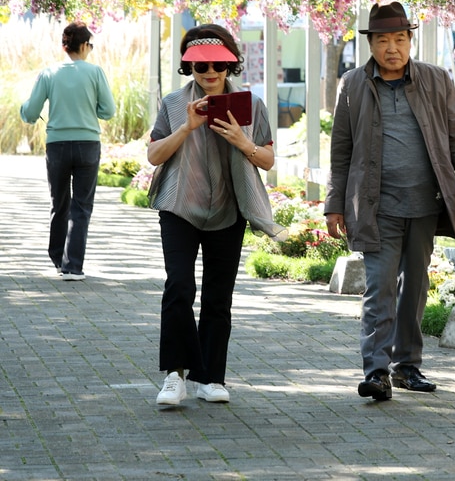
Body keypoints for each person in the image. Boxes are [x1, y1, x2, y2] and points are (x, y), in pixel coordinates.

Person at [326, 2, 455, 402]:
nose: (391, 48)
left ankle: (407, 365)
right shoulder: (353, 84)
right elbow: (340, 151)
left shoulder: (436, 80)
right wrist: (334, 203)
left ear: (410, 40)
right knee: (379, 288)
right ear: (371, 44)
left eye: (399, 39)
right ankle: (376, 371)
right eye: (382, 40)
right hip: (376, 207)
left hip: (425, 204)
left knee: (413, 287)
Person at [146, 25, 285, 408]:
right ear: (188, 67)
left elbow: (269, 160)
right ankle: (174, 375)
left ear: (230, 65)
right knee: (179, 286)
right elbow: (154, 156)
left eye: (219, 65)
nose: (210, 72)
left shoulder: (250, 104)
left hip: (229, 208)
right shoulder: (175, 104)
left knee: (218, 297)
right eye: (199, 65)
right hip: (180, 206)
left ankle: (210, 377)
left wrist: (243, 142)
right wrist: (187, 128)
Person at [20, 21, 116, 282]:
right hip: (87, 145)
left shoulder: (48, 73)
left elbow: (29, 113)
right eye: (90, 45)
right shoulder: (95, 72)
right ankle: (73, 266)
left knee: (58, 203)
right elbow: (109, 111)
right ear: (84, 45)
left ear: (65, 46)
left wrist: (24, 109)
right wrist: (88, 110)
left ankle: (57, 259)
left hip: (57, 146)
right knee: (81, 207)